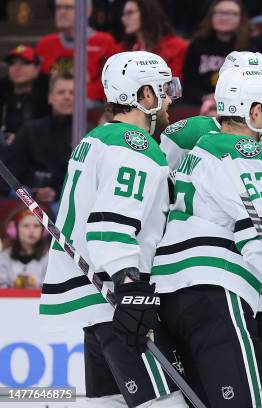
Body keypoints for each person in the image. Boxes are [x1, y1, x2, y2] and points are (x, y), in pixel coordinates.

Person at [151, 66, 262, 407]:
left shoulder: (200, 151)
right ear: (252, 110)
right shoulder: (247, 152)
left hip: (171, 295)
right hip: (215, 293)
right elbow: (261, 235)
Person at [40, 51, 186, 407]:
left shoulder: (97, 139)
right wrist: (130, 284)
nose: (169, 98)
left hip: (97, 300)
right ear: (145, 95)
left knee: (108, 402)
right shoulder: (135, 147)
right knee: (165, 401)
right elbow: (110, 226)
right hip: (118, 301)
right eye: (163, 89)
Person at [6, 73, 75, 210]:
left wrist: (56, 191)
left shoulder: (92, 134)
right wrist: (34, 192)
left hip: (70, 204)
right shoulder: (30, 130)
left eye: (72, 92)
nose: (67, 97)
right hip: (31, 200)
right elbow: (12, 173)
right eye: (61, 92)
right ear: (50, 97)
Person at [36, 0, 120, 104]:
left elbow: (112, 82)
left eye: (68, 8)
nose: (62, 12)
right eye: (58, 7)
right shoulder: (45, 45)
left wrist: (77, 95)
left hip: (93, 110)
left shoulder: (105, 42)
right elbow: (40, 87)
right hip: (53, 110)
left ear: (87, 11)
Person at [182, 0, 254, 104]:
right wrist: (204, 98)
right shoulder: (197, 45)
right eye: (219, 12)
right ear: (211, 16)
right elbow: (188, 84)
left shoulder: (252, 46)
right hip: (200, 104)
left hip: (240, 103)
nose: (224, 17)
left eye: (231, 13)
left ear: (241, 18)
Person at [121, 0, 188, 79]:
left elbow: (173, 84)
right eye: (124, 14)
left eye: (130, 12)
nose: (123, 19)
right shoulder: (128, 50)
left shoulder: (175, 46)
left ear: (146, 12)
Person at [0, 45, 50, 147]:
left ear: (37, 68)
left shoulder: (49, 93)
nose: (17, 68)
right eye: (12, 64)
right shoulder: (2, 89)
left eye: (24, 63)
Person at [0, 209, 49, 289]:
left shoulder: (49, 258)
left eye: (36, 226)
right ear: (14, 230)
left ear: (43, 231)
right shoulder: (3, 257)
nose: (32, 230)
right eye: (26, 226)